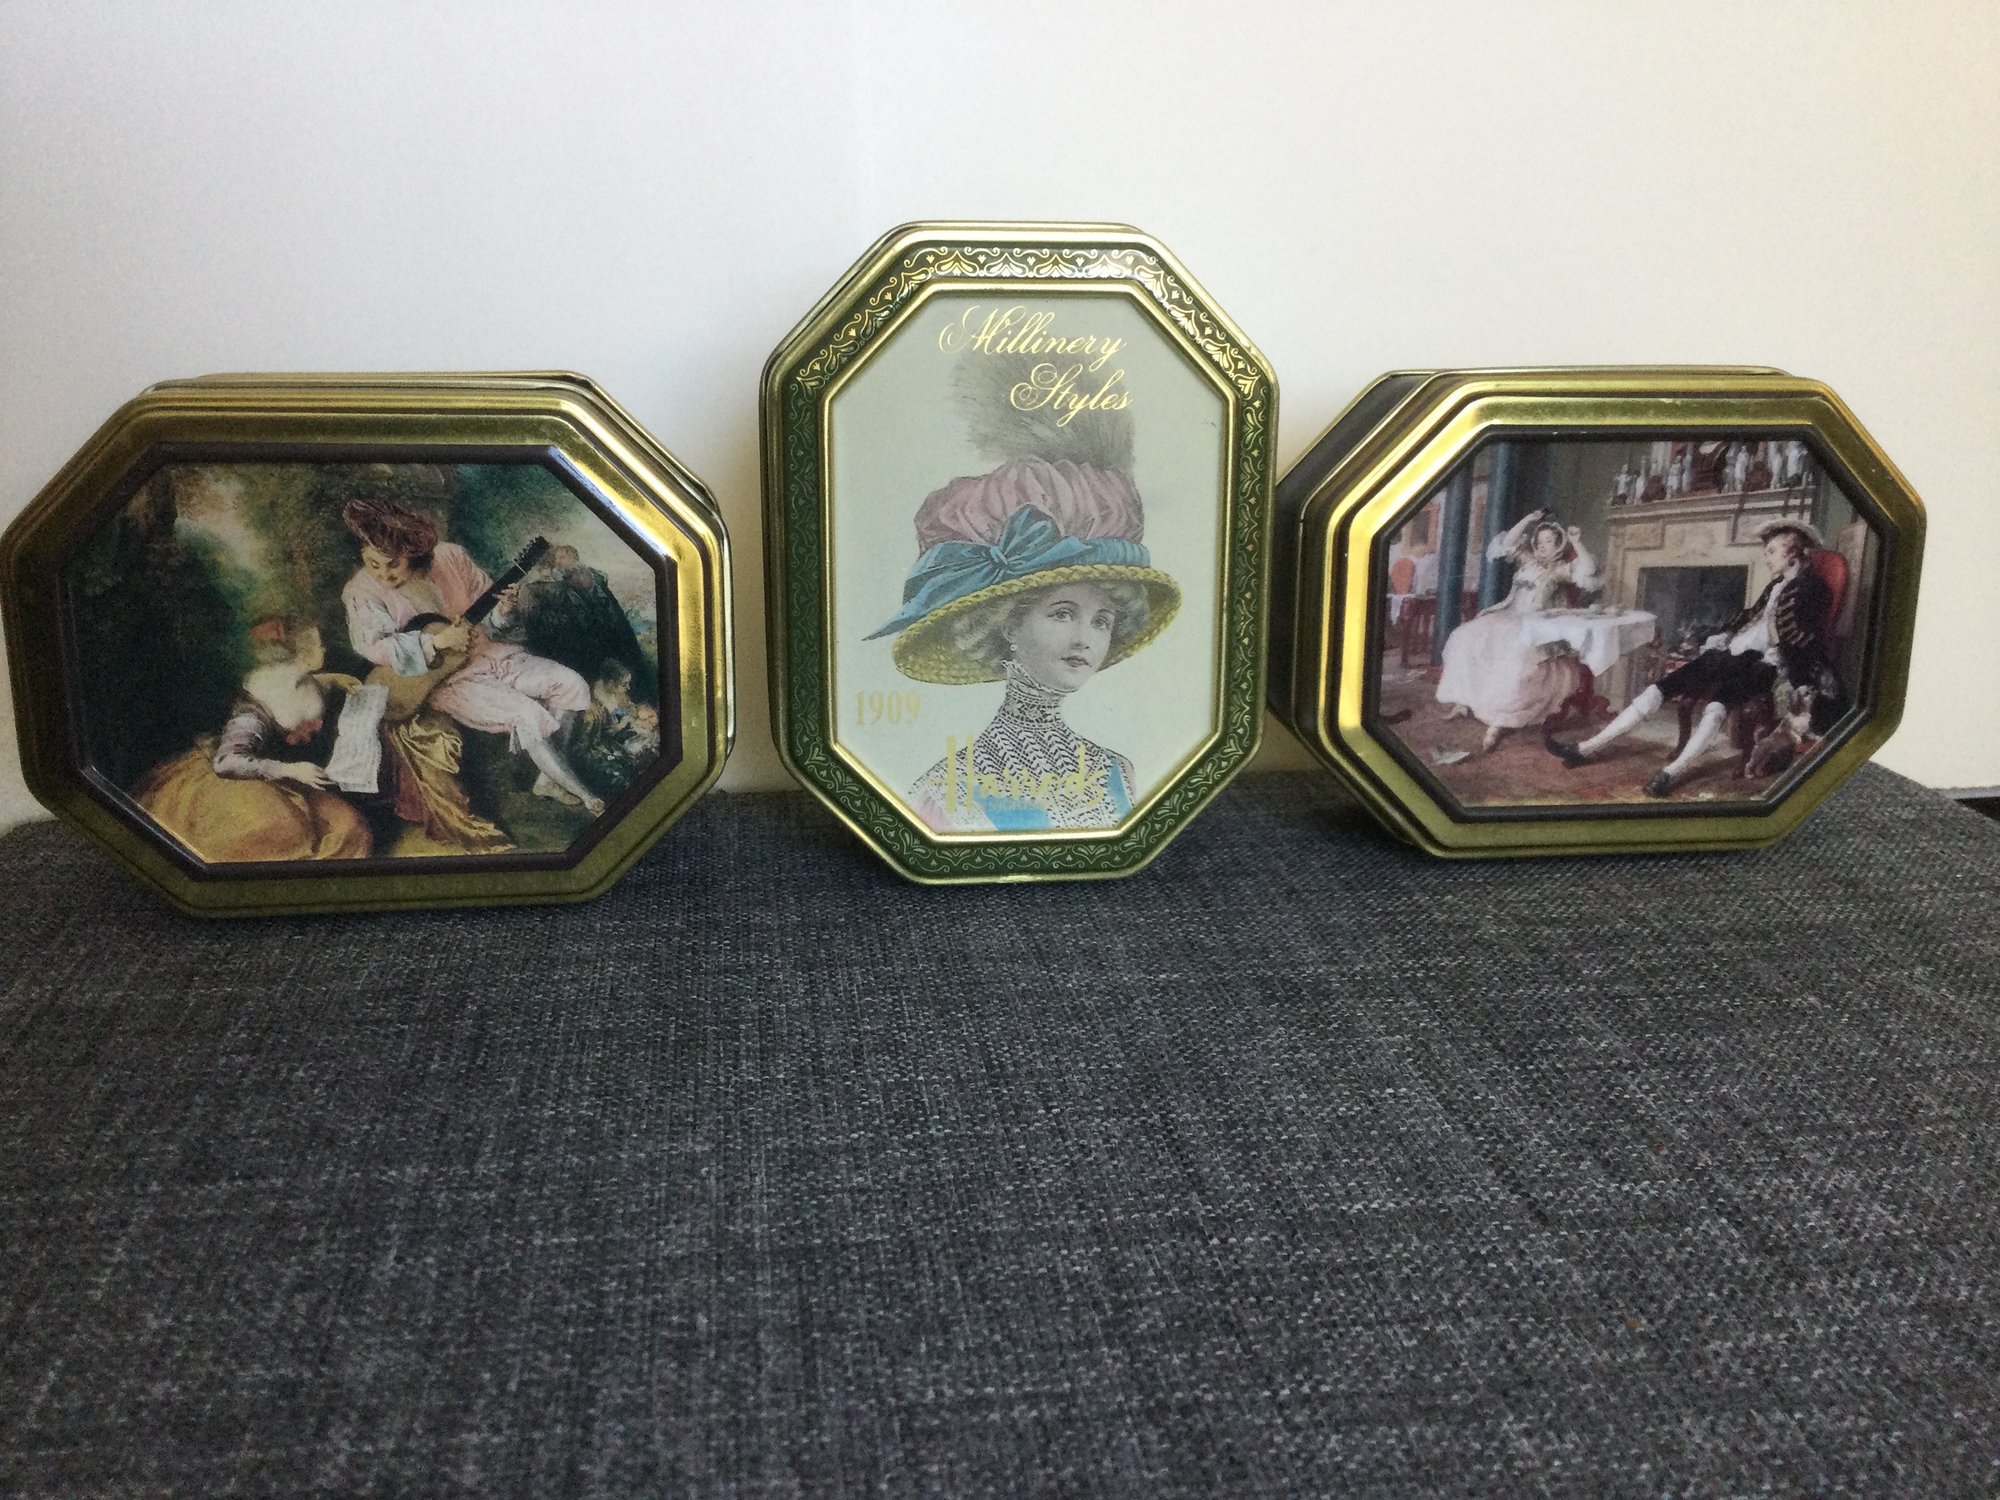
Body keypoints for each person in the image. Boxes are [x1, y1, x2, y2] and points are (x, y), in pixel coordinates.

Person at [867, 457, 1181, 833]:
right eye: (1063, 614)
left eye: (1101, 621)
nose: (1084, 639)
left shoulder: (1118, 772)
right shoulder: (946, 791)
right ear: (1010, 625)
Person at [339, 499, 605, 817]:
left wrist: (504, 610)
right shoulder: (361, 591)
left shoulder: (450, 557)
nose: (384, 574)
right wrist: (437, 641)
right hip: (443, 678)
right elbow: (373, 646)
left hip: (489, 653)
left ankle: (548, 779)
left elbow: (490, 620)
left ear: (411, 552)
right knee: (525, 713)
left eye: (393, 564)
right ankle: (587, 795)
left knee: (571, 683)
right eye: (373, 564)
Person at [1547, 520, 1833, 796]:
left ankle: (1672, 772)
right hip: (1734, 653)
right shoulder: (1776, 585)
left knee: (1717, 704)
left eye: (1771, 551)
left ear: (1793, 553)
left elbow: (1796, 641)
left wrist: (1774, 622)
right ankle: (1586, 748)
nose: (1766, 557)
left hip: (1767, 665)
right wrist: (1722, 635)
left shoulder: (1812, 588)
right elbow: (1748, 617)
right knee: (1665, 685)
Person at [134, 618, 373, 862]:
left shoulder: (294, 677)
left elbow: (302, 684)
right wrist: (291, 770)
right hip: (232, 776)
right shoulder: (256, 707)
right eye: (317, 643)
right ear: (301, 655)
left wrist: (333, 679)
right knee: (286, 831)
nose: (323, 648)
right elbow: (226, 762)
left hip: (279, 775)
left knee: (350, 828)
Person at [1434, 509, 1602, 753]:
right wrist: (1529, 520)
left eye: (1548, 541)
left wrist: (1576, 541)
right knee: (1464, 637)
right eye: (1539, 540)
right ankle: (1466, 701)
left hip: (1537, 624)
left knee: (1513, 655)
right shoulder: (1527, 561)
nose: (1542, 545)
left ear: (1558, 545)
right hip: (1510, 615)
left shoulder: (1558, 570)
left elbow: (1589, 570)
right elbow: (1508, 543)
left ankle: (1500, 719)